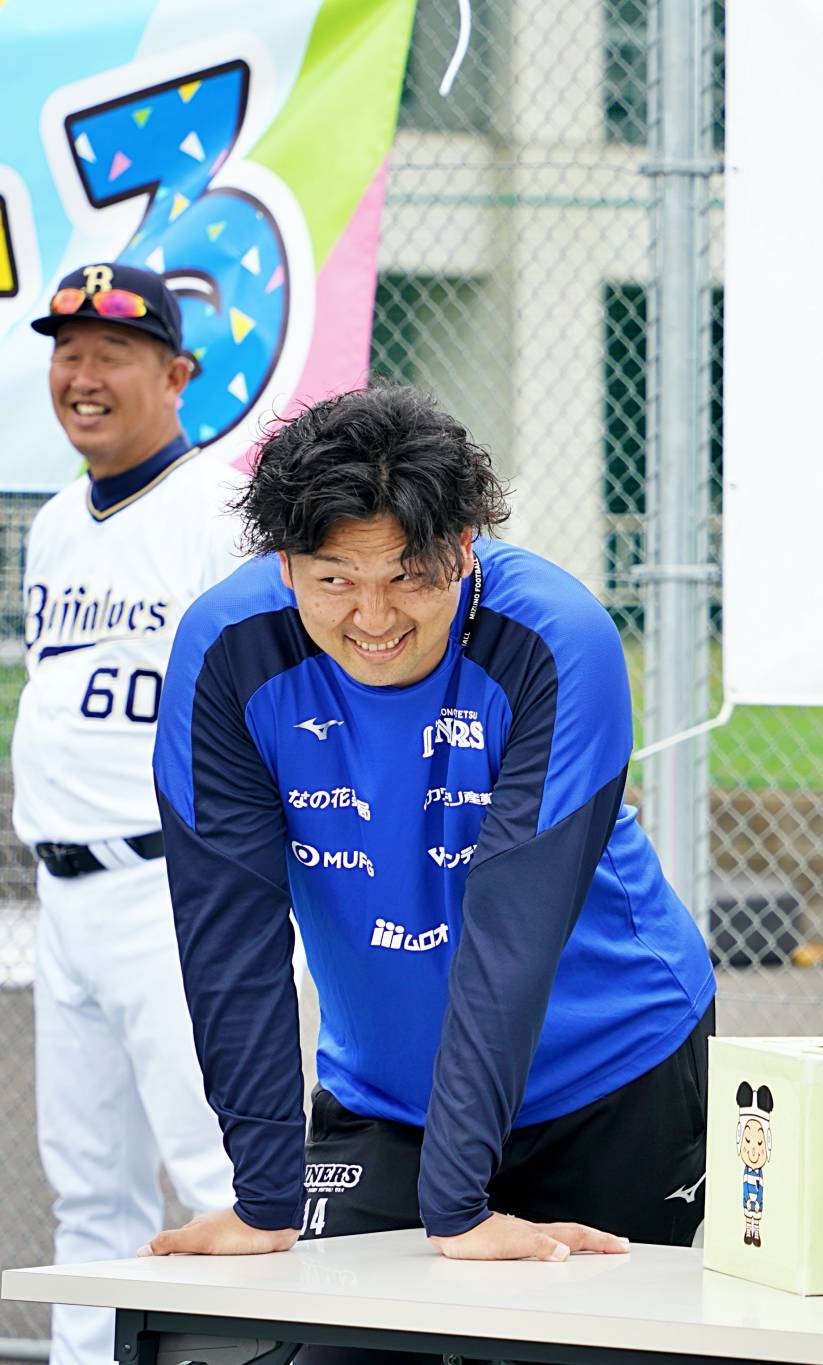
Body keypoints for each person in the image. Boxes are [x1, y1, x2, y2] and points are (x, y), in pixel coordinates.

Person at [147, 384, 718, 1264]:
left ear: (463, 544)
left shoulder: (558, 636)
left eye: (408, 576)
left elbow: (512, 935)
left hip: (610, 1071)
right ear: (284, 564)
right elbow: (229, 933)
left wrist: (457, 1208)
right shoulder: (226, 647)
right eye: (335, 580)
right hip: (384, 1094)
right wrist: (264, 1195)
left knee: (572, 1327)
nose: (374, 619)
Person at [14, 263, 241, 1365]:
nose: (83, 375)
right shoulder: (57, 521)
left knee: (225, 1185)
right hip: (63, 899)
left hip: (172, 892)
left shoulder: (219, 513)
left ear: (179, 375)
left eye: (113, 353)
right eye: (68, 352)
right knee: (90, 1191)